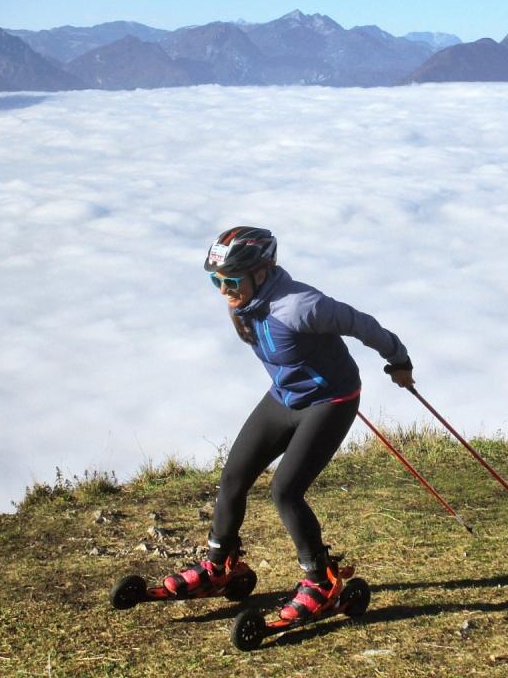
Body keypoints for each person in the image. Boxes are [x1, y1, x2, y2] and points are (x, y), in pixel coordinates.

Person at [163, 226, 414, 621]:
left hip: (331, 401)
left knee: (286, 491)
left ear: (261, 272)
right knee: (233, 479)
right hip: (284, 397)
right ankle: (219, 566)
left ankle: (321, 582)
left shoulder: (300, 305)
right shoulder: (243, 303)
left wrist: (397, 359)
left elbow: (361, 323)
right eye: (216, 280)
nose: (223, 290)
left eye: (230, 280)